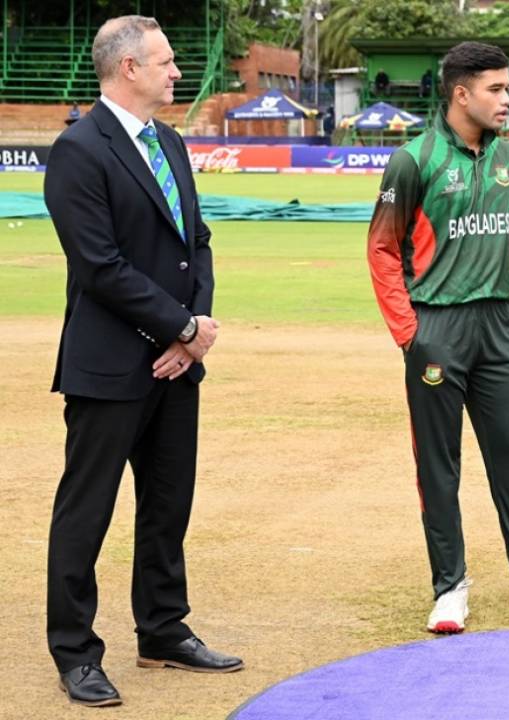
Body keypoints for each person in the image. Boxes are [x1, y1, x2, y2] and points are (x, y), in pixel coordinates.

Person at [43, 15, 241, 708]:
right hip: (108, 366)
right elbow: (100, 266)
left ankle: (163, 629)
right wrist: (179, 324)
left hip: (176, 364)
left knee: (167, 505)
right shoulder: (78, 149)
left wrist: (191, 338)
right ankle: (75, 651)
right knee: (86, 511)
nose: (177, 73)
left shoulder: (171, 143)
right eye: (165, 62)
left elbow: (198, 242)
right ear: (128, 68)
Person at [366, 41, 509, 635]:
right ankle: (450, 588)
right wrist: (409, 334)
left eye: (508, 89)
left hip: (499, 327)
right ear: (461, 93)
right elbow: (383, 250)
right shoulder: (413, 161)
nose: (507, 99)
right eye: (496, 89)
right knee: (439, 467)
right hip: (435, 328)